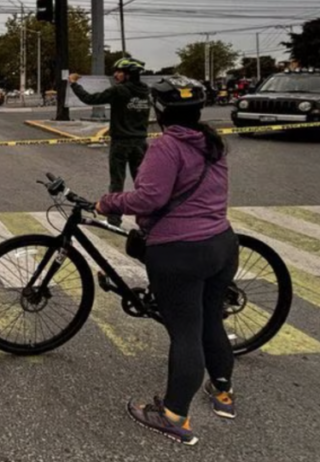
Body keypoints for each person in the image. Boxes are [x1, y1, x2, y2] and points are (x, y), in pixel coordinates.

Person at [97, 76, 238, 447]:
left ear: (159, 111)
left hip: (180, 252)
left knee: (186, 333)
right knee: (210, 320)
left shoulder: (166, 147)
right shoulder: (213, 142)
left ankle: (174, 415)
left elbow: (149, 200)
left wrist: (108, 202)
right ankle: (223, 394)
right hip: (222, 244)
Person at [68, 57, 151, 226]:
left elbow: (90, 99)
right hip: (141, 143)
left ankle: (114, 219)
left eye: (119, 72)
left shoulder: (119, 91)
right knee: (142, 183)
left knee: (117, 182)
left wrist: (74, 84)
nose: (116, 75)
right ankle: (148, 218)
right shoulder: (146, 91)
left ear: (128, 75)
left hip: (121, 142)